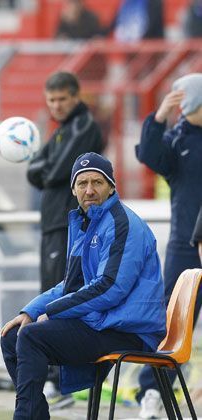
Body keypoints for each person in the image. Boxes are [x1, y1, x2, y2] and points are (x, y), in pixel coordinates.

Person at [1, 152, 166, 420]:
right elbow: (71, 284)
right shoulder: (87, 223)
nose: (89, 190)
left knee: (32, 337)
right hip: (103, 322)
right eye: (82, 183)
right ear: (73, 189)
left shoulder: (121, 223)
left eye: (97, 182)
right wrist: (30, 312)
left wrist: (52, 313)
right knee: (13, 335)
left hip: (128, 329)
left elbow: (111, 287)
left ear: (111, 186)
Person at [26, 71, 105, 407]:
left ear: (76, 97)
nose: (56, 106)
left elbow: (58, 172)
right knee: (50, 293)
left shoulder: (85, 125)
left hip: (68, 226)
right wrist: (47, 169)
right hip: (53, 224)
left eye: (62, 99)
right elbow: (35, 170)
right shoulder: (61, 132)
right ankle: (57, 380)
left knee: (61, 296)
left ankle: (62, 384)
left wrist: (47, 170)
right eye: (51, 101)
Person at [134, 73, 202, 418]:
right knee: (173, 324)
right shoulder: (177, 139)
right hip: (186, 248)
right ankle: (152, 390)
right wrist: (158, 117)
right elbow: (148, 154)